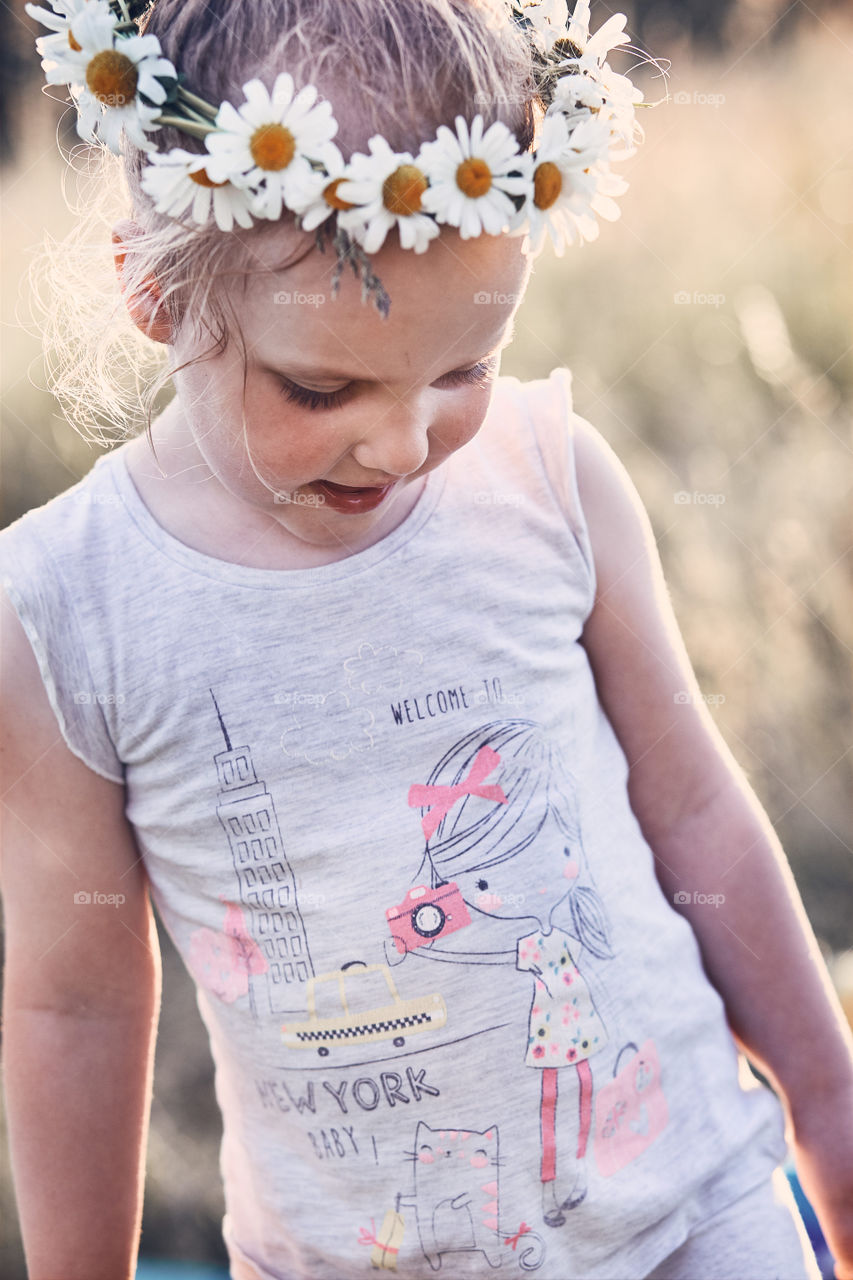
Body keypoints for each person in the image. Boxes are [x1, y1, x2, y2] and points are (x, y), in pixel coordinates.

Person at [1, 1, 851, 1278]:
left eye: (467, 366)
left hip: (692, 1214)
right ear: (154, 289)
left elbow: (695, 814)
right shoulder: (68, 604)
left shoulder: (549, 482)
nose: (401, 446)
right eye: (321, 388)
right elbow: (76, 995)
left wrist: (829, 1105)